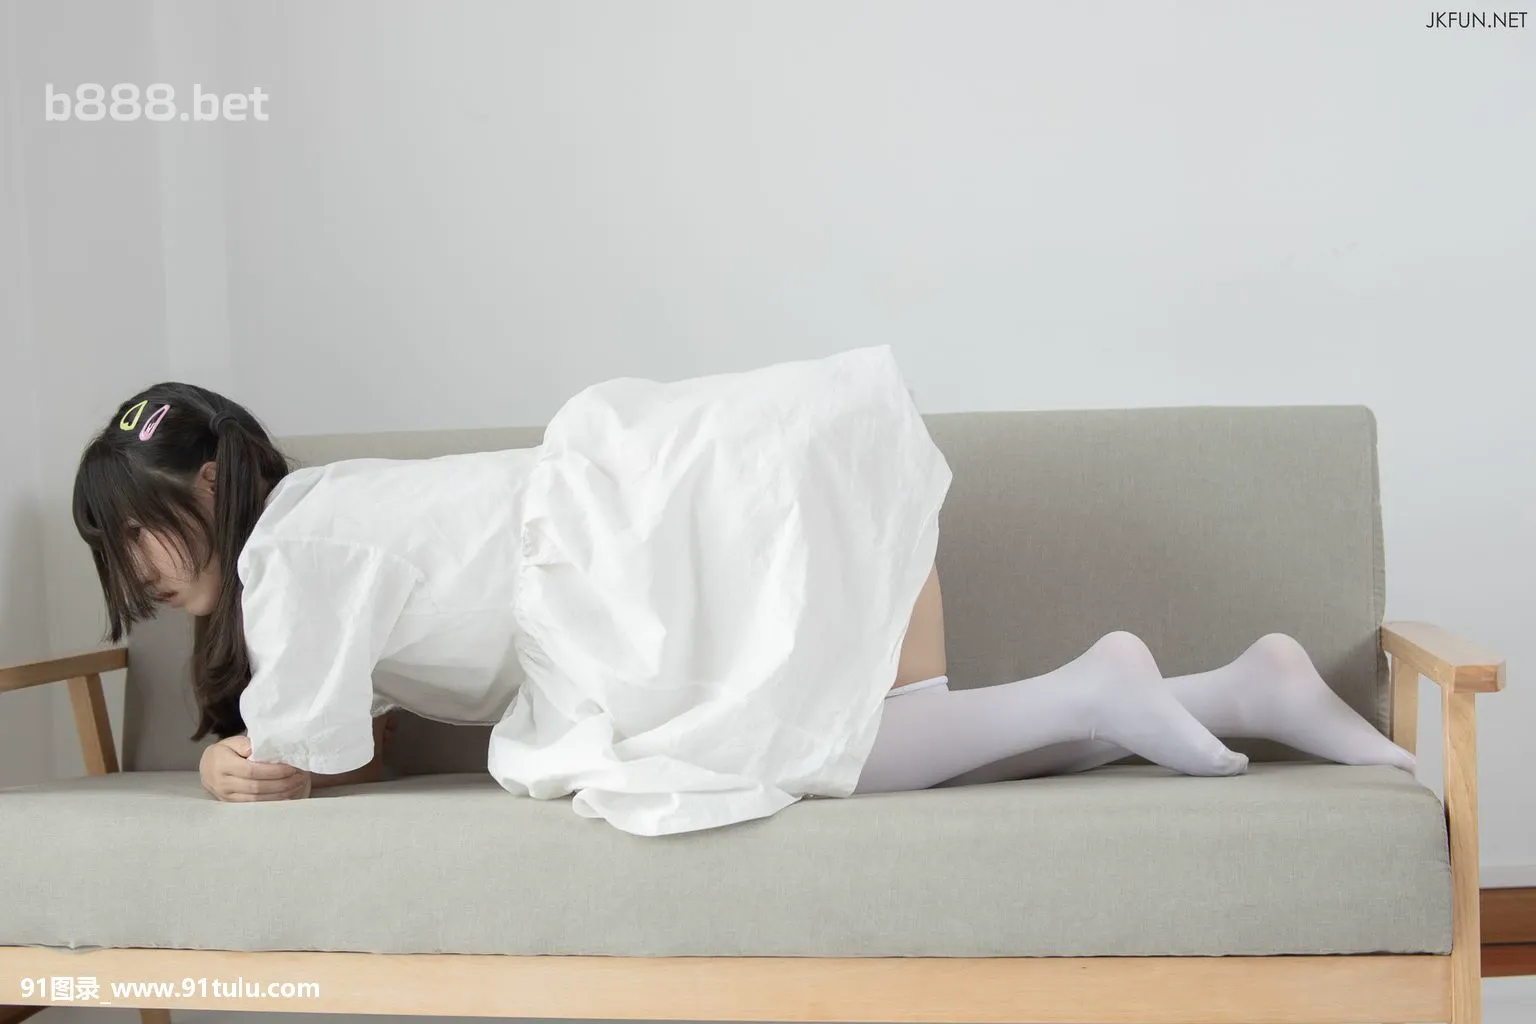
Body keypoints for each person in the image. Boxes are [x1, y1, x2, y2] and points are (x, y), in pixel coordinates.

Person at [72, 347, 1414, 837]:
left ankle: (1104, 688)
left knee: (816, 757)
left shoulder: (291, 554)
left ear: (219, 487)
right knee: (869, 744)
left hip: (620, 559)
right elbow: (347, 748)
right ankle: (1238, 689)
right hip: (646, 505)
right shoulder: (329, 514)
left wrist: (226, 765)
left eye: (141, 536)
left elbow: (298, 762)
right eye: (121, 555)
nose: (141, 571)